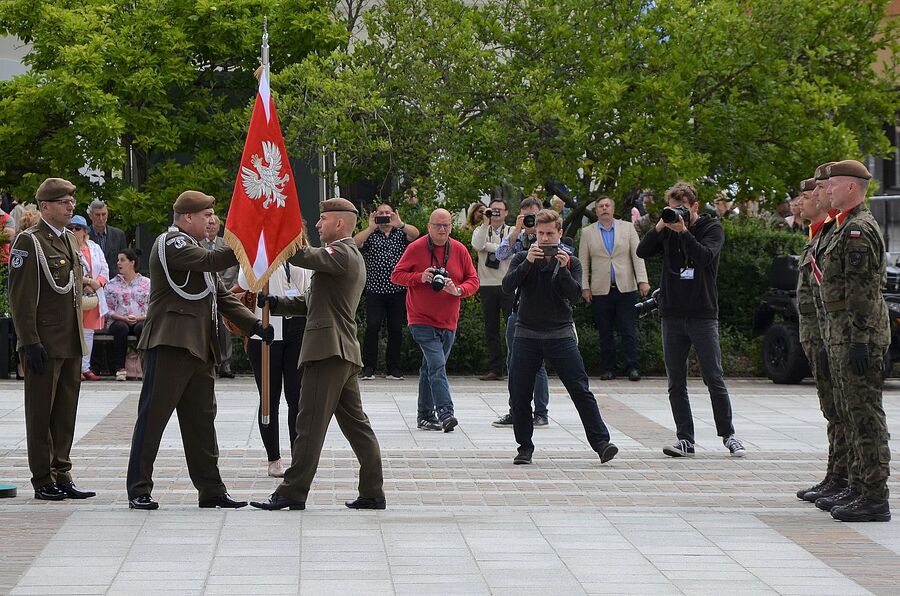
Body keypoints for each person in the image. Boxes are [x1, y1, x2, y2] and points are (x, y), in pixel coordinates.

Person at [126, 190, 273, 510]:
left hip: (199, 348)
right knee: (152, 420)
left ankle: (211, 489)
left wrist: (255, 327)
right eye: (206, 215)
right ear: (188, 217)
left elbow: (221, 297)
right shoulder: (172, 243)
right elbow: (211, 261)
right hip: (170, 344)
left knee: (202, 423)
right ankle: (139, 488)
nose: (212, 220)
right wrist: (247, 239)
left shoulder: (197, 248)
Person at [250, 198, 386, 511]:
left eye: (322, 219)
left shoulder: (341, 253)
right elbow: (312, 303)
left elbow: (300, 254)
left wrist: (279, 226)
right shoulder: (341, 258)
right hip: (340, 351)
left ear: (339, 223)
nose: (318, 225)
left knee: (308, 424)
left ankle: (291, 492)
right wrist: (277, 303)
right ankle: (372, 491)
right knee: (357, 426)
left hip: (327, 352)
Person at [636, 181, 745, 458]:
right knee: (676, 381)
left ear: (695, 206)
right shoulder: (668, 228)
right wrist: (661, 225)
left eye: (682, 209)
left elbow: (705, 256)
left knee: (713, 377)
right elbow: (643, 251)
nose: (677, 214)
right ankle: (685, 438)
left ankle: (728, 434)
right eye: (672, 209)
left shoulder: (711, 228)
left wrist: (684, 232)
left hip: (702, 313)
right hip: (672, 313)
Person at [503, 209, 618, 465]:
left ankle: (601, 443)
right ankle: (524, 447)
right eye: (540, 234)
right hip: (526, 333)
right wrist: (527, 264)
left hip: (561, 333)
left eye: (549, 234)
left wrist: (563, 269)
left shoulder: (572, 261)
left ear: (560, 233)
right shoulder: (523, 256)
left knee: (580, 389)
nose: (544, 239)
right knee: (519, 393)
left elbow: (575, 295)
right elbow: (507, 286)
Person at [9, 177, 95, 500]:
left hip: (70, 339)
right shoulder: (29, 242)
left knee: (65, 411)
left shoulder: (70, 240)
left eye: (71, 201)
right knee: (40, 411)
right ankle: (42, 477)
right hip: (43, 341)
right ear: (45, 207)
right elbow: (21, 296)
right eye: (63, 202)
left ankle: (62, 470)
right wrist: (28, 341)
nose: (70, 206)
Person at [816, 160, 891, 523]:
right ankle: (859, 488)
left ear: (850, 187)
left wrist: (860, 340)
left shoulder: (858, 229)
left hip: (856, 335)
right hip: (842, 334)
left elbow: (861, 291)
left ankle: (875, 496)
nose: (827, 191)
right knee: (850, 412)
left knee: (865, 416)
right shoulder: (844, 226)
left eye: (833, 185)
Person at [391, 208, 479, 432]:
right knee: (437, 365)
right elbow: (396, 275)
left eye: (446, 225)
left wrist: (458, 290)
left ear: (451, 226)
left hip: (448, 320)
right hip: (420, 319)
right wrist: (420, 277)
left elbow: (473, 280)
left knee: (430, 367)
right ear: (429, 226)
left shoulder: (459, 249)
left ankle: (424, 415)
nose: (442, 229)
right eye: (437, 225)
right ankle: (446, 413)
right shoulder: (416, 247)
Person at [794, 173, 849, 505]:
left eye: (813, 191)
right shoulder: (819, 234)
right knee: (834, 412)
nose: (805, 200)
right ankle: (838, 475)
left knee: (848, 413)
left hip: (837, 337)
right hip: (822, 338)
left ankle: (852, 481)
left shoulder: (842, 231)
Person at [237, 261, 312, 478]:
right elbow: (244, 282)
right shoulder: (261, 252)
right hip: (266, 325)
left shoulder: (300, 252)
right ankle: (273, 458)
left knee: (296, 395)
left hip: (296, 324)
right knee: (269, 397)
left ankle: (298, 456)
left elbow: (305, 288)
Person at [491, 196, 551, 427]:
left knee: (538, 363)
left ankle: (541, 412)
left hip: (543, 309)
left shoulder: (549, 238)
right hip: (518, 307)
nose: (531, 221)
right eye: (526, 216)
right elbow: (500, 254)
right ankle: (516, 410)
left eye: (534, 216)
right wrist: (517, 230)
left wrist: (539, 235)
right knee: (513, 360)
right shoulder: (518, 237)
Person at [579, 196, 650, 382]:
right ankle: (608, 368)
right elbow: (583, 262)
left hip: (625, 287)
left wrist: (643, 280)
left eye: (607, 205)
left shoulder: (627, 228)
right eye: (600, 206)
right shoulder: (587, 232)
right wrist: (584, 286)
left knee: (628, 330)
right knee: (605, 331)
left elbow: (638, 256)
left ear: (613, 208)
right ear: (596, 211)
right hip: (600, 290)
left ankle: (632, 367)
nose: (604, 209)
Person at [353, 203, 419, 380]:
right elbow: (354, 243)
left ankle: (393, 368)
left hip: (398, 290)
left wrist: (401, 224)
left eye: (387, 213)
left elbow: (416, 234)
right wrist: (370, 227)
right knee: (372, 327)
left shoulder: (400, 234)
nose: (384, 216)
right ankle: (368, 368)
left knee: (396, 328)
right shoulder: (371, 235)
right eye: (380, 213)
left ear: (394, 215)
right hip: (375, 290)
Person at [471, 198, 514, 381]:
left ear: (506, 213)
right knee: (491, 329)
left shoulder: (512, 230)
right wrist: (485, 224)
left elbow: (511, 249)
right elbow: (477, 245)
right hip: (487, 284)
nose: (495, 213)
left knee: (512, 327)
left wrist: (492, 247)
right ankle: (496, 369)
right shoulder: (481, 230)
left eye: (499, 210)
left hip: (507, 284)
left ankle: (515, 366)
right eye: (492, 210)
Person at [68, 215, 109, 382]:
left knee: (88, 333)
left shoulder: (94, 247)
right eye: (71, 228)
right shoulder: (67, 247)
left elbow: (104, 268)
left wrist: (97, 283)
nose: (74, 231)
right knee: (73, 332)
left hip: (93, 295)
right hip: (75, 294)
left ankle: (85, 367)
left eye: (77, 228)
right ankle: (74, 368)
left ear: (85, 231)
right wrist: (85, 281)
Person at [104, 248, 151, 382]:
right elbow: (108, 309)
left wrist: (140, 317)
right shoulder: (112, 284)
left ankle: (144, 366)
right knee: (120, 328)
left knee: (141, 328)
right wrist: (123, 318)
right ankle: (120, 368)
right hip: (119, 320)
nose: (119, 263)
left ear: (132, 262)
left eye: (122, 260)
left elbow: (153, 306)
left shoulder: (146, 283)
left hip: (141, 318)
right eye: (118, 260)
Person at [203, 215, 240, 378]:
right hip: (203, 294)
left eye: (214, 223)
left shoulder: (226, 245)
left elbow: (231, 269)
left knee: (224, 328)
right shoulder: (197, 244)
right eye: (208, 223)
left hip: (223, 292)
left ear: (219, 227)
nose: (211, 226)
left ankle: (225, 364)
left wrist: (219, 288)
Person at [87, 199, 128, 281]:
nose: (101, 218)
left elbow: (125, 259)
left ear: (107, 214)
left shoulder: (119, 235)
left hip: (115, 281)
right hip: (92, 282)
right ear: (90, 216)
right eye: (97, 215)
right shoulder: (84, 235)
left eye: (103, 214)